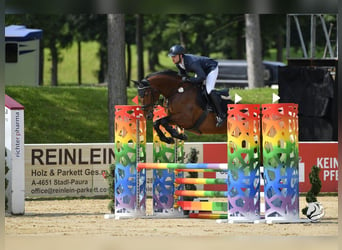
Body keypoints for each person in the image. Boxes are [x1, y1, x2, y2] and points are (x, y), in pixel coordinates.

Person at [168, 44, 226, 127]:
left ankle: (221, 115)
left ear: (180, 55)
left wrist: (189, 80)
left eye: (174, 56)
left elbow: (202, 77)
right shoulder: (178, 63)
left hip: (210, 68)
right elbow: (183, 77)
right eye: (171, 57)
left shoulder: (191, 62)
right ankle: (206, 105)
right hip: (201, 71)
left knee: (209, 90)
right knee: (195, 87)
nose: (172, 59)